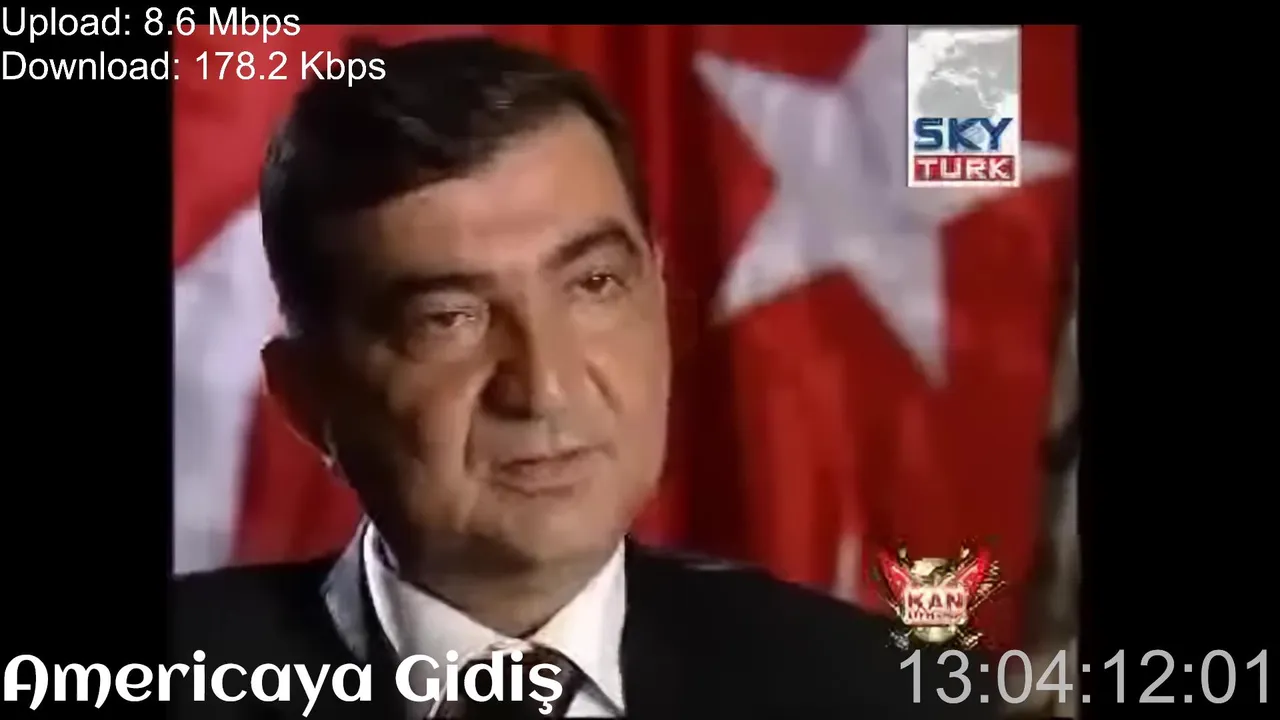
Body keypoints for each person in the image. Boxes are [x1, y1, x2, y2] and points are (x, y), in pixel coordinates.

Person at [171, 36, 997, 719]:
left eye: (594, 285)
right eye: (447, 318)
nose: (546, 388)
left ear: (659, 299)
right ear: (308, 400)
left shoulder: (889, 695)